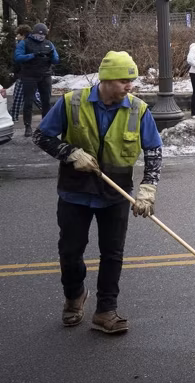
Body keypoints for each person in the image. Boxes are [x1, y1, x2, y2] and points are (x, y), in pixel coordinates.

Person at [32, 51, 162, 334]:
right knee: (70, 252)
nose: (130, 86)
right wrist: (69, 152)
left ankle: (105, 311)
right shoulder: (71, 103)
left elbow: (154, 151)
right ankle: (74, 296)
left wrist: (147, 189)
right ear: (105, 80)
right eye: (124, 80)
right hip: (74, 193)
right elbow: (41, 136)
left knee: (112, 254)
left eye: (132, 80)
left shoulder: (138, 110)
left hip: (116, 195)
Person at [15, 23, 59, 137]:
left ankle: (45, 126)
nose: (41, 37)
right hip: (29, 76)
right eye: (39, 35)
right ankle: (28, 126)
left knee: (46, 102)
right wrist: (33, 55)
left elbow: (56, 59)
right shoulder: (24, 43)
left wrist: (51, 56)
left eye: (43, 35)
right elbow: (18, 57)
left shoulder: (49, 44)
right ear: (33, 34)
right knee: (28, 102)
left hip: (45, 75)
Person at [9, 24, 41, 129]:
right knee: (34, 96)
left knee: (18, 96)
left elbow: (18, 60)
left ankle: (13, 117)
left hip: (24, 74)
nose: (16, 36)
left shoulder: (23, 44)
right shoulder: (33, 43)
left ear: (22, 34)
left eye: (18, 34)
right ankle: (48, 112)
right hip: (32, 74)